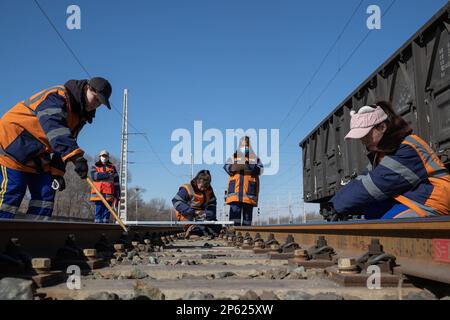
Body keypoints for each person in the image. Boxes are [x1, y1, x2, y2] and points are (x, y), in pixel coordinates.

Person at [0, 77, 112, 219]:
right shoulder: (57, 96)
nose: (95, 105)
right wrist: (77, 157)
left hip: (37, 153)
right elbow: (56, 130)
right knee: (13, 190)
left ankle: (32, 235)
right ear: (87, 88)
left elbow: (65, 144)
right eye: (95, 99)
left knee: (46, 193)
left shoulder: (80, 116)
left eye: (99, 104)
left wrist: (58, 173)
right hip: (12, 144)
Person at [329, 101, 450, 221]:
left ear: (382, 127)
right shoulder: (382, 152)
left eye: (366, 135)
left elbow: (375, 184)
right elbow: (361, 180)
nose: (362, 140)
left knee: (383, 227)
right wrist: (332, 204)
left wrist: (337, 206)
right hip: (413, 199)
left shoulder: (407, 148)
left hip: (433, 203)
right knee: (371, 210)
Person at [224, 136, 263, 226]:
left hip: (249, 194)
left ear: (249, 146)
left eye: (246, 145)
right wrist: (232, 167)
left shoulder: (255, 158)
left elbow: (260, 170)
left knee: (247, 219)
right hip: (235, 194)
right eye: (242, 145)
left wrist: (249, 165)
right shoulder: (233, 156)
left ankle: (246, 234)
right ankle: (233, 234)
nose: (244, 147)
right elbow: (226, 167)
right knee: (234, 219)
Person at [172, 170, 220, 237]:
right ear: (197, 181)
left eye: (205, 187)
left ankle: (198, 230)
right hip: (187, 215)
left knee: (217, 227)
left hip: (201, 216)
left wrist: (206, 213)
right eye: (202, 186)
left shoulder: (209, 191)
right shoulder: (187, 189)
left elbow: (212, 207)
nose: (203, 189)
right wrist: (193, 212)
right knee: (201, 229)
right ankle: (193, 230)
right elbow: (176, 201)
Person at [89, 150, 120, 223]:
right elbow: (95, 176)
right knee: (98, 210)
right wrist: (108, 174)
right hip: (98, 193)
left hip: (109, 193)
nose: (104, 157)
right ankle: (97, 225)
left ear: (108, 157)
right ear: (100, 157)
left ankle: (105, 226)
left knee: (107, 211)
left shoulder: (112, 168)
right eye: (103, 156)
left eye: (106, 156)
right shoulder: (95, 166)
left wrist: (117, 195)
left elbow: (116, 182)